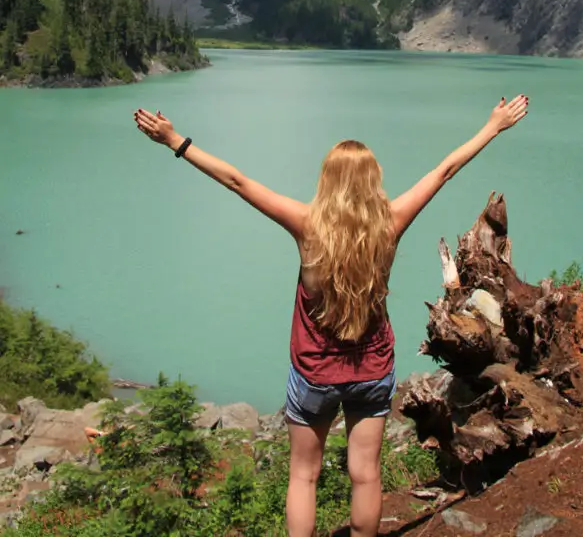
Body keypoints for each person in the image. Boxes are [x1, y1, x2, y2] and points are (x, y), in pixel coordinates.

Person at [133, 93, 529, 537]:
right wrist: (493, 126)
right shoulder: (390, 222)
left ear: (328, 180)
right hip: (372, 369)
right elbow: (445, 170)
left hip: (314, 374)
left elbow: (237, 182)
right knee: (366, 473)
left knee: (304, 475)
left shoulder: (306, 225)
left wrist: (175, 141)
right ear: (372, 181)